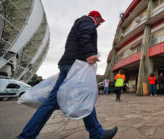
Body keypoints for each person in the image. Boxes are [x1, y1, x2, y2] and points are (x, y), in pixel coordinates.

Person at [18, 11, 117, 139]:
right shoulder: (87, 21)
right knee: (84, 97)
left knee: (52, 102)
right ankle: (97, 134)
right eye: (99, 21)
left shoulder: (80, 23)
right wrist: (90, 53)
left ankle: (27, 136)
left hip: (68, 64)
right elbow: (84, 35)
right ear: (95, 17)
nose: (99, 24)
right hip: (75, 65)